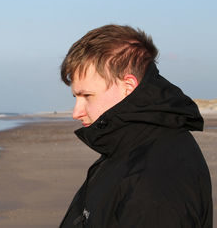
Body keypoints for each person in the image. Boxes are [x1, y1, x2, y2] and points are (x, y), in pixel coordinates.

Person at [59, 24, 212, 228]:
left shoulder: (157, 178)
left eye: (87, 96)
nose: (76, 112)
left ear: (128, 87)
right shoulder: (125, 147)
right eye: (76, 97)